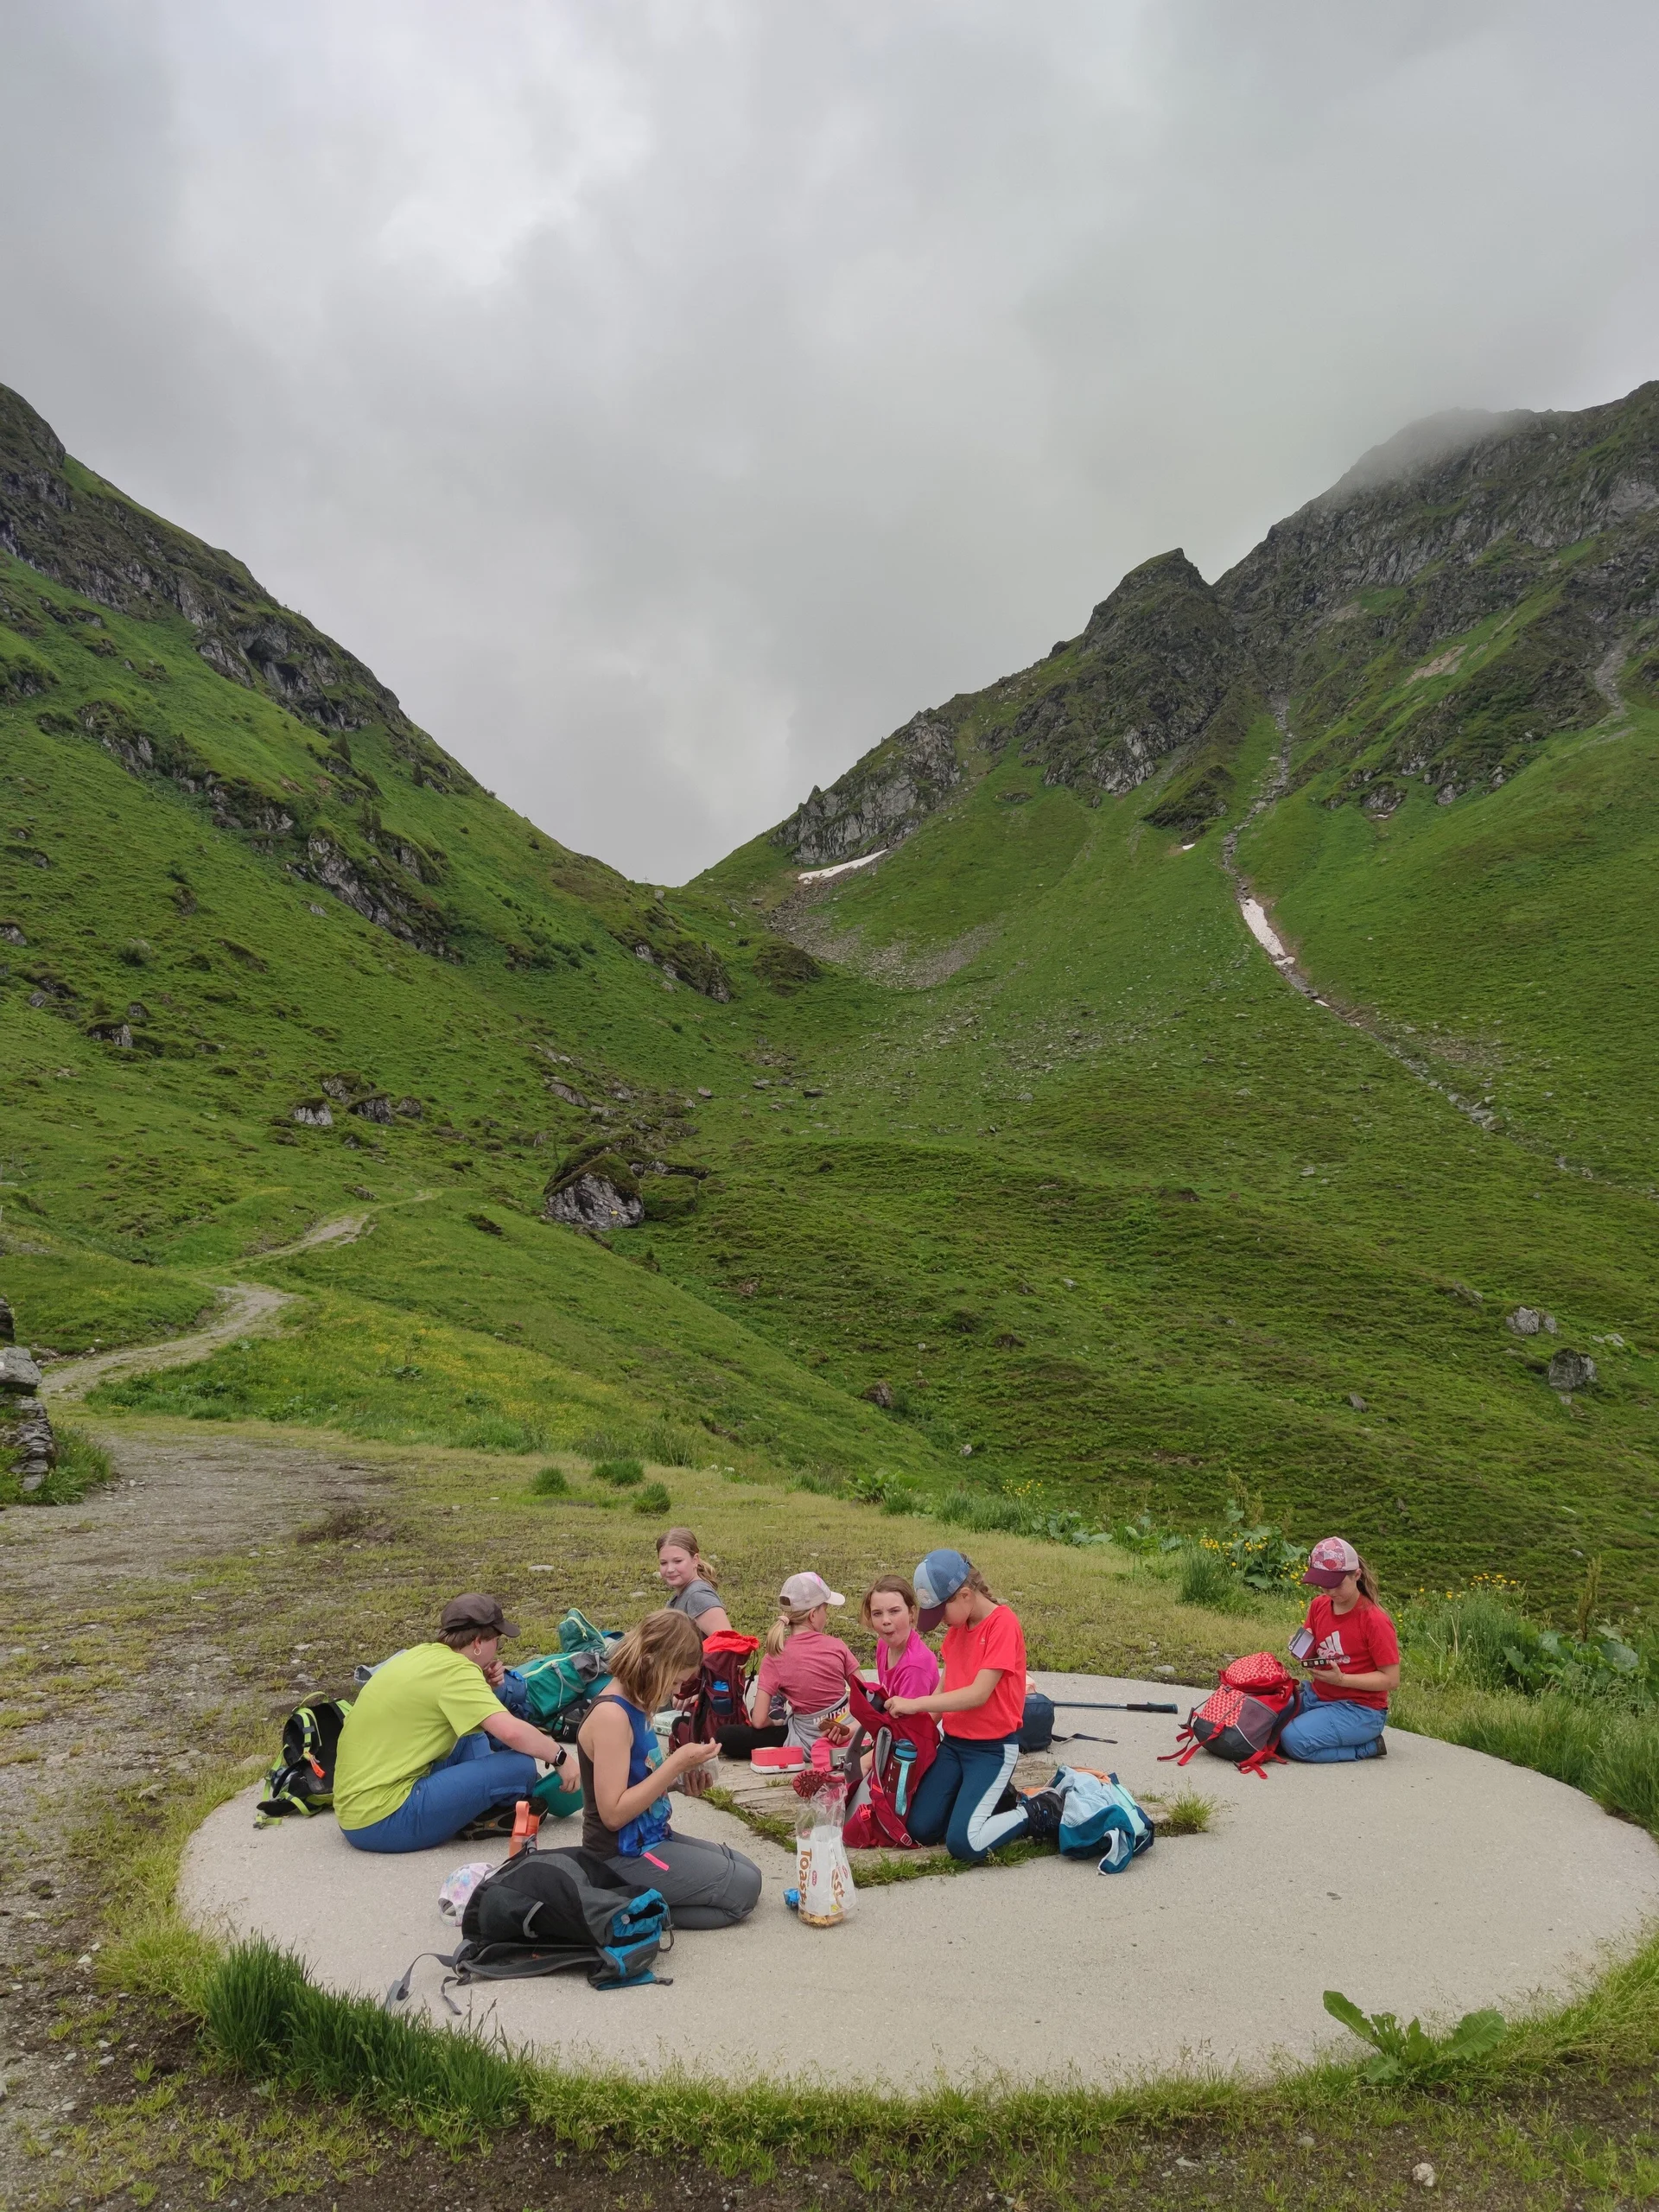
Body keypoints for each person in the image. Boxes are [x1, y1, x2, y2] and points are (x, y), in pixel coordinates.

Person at [334, 1594, 576, 1853]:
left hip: (357, 1806)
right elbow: (509, 1731)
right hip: (385, 1819)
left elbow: (467, 1716)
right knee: (520, 1767)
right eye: (497, 1641)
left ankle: (484, 1805)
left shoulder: (423, 1655)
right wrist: (560, 1756)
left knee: (470, 1734)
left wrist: (484, 1686)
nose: (498, 1648)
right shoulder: (458, 1673)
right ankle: (489, 1805)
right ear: (477, 1643)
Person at [575, 1609, 762, 1927]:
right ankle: (628, 1907)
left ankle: (644, 1901)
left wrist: (677, 1781)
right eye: (675, 1680)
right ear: (653, 1664)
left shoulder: (638, 1703)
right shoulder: (612, 1716)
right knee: (743, 1891)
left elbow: (640, 1778)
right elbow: (613, 1814)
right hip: (620, 1855)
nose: (676, 1691)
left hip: (652, 1835)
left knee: (748, 1871)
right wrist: (675, 1762)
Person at [886, 1549, 1062, 1862]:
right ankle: (986, 1802)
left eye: (941, 1612)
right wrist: (913, 1724)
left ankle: (1034, 1810)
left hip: (992, 1750)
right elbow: (947, 1685)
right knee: (920, 1828)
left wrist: (914, 1704)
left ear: (965, 1595)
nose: (940, 1621)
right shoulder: (958, 1629)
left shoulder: (1002, 1625)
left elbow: (977, 1694)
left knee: (965, 1843)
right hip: (954, 1746)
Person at [1280, 1536, 1400, 1763]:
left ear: (1356, 1575)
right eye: (1324, 1585)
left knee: (1293, 1741)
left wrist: (1342, 1680)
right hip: (1318, 1695)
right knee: (1266, 1722)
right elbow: (1314, 1647)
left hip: (1361, 1710)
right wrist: (1301, 1650)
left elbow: (1391, 1680)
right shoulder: (1319, 1605)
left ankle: (1367, 1747)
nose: (1331, 1592)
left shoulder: (1375, 1620)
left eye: (1337, 1585)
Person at [747, 1572, 862, 1750]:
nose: (827, 1615)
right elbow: (866, 1695)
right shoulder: (837, 1646)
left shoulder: (774, 1656)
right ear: (813, 1615)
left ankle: (779, 1710)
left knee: (730, 1735)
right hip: (847, 1736)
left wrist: (777, 1724)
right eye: (825, 1609)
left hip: (804, 1744)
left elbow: (759, 1721)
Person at [862, 1574, 940, 1703]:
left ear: (911, 1613)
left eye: (894, 1611)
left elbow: (909, 1722)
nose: (885, 1620)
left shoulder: (915, 1665)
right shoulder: (884, 1644)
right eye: (877, 1613)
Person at [656, 1527, 734, 1637]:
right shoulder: (682, 1593)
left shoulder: (698, 1596)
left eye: (678, 1561)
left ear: (695, 1560)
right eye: (663, 1563)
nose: (670, 1569)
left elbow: (728, 1644)